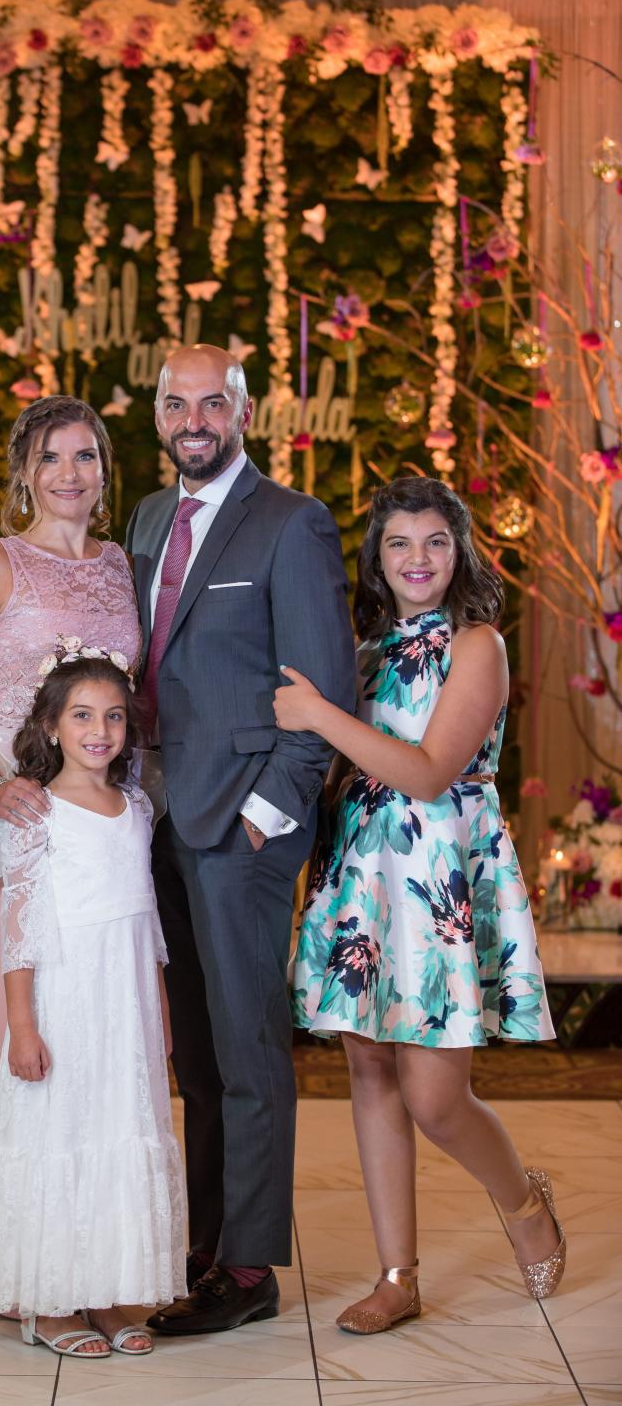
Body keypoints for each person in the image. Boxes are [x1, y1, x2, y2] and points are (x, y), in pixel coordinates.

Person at [282, 474, 564, 1335]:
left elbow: (429, 770)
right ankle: (397, 1276)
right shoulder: (362, 646)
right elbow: (343, 775)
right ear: (377, 556)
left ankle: (521, 1200)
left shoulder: (478, 645)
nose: (417, 559)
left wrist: (320, 717)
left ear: (459, 551)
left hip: (437, 877)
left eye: (435, 542)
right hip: (364, 875)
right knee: (368, 1067)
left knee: (435, 1095)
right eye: (399, 543)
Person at [125, 343, 356, 1336]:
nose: (194, 419)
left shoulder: (292, 523)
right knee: (198, 1056)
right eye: (177, 402)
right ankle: (210, 1243)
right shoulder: (144, 518)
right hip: (159, 821)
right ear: (160, 412)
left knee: (251, 1048)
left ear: (244, 412)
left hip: (242, 832)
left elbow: (326, 694)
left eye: (212, 402)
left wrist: (270, 820)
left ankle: (250, 1272)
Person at [0, 396, 140, 1286]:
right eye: (52, 458)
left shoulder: (123, 566)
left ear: (103, 470)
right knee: (12, 1038)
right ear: (24, 470)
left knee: (92, 1041)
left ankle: (93, 1258)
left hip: (96, 817)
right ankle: (4, 1261)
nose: (69, 475)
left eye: (85, 457)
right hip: (9, 818)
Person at [0, 649, 186, 1356]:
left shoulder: (136, 807)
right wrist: (23, 1026)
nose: (101, 730)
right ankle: (52, 1301)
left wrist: (161, 1008)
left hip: (126, 1001)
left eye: (114, 716)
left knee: (119, 1127)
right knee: (63, 1133)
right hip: (65, 996)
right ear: (52, 727)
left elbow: (146, 917)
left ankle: (111, 1292)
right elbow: (19, 932)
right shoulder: (36, 811)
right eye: (82, 716)